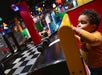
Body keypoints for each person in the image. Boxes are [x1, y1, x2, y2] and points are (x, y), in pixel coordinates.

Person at [71, 9, 102, 75]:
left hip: (99, 67)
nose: (79, 25)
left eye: (83, 22)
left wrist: (76, 29)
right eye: (78, 22)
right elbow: (83, 40)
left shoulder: (97, 36)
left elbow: (92, 40)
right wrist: (76, 37)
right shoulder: (86, 37)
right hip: (91, 65)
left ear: (92, 27)